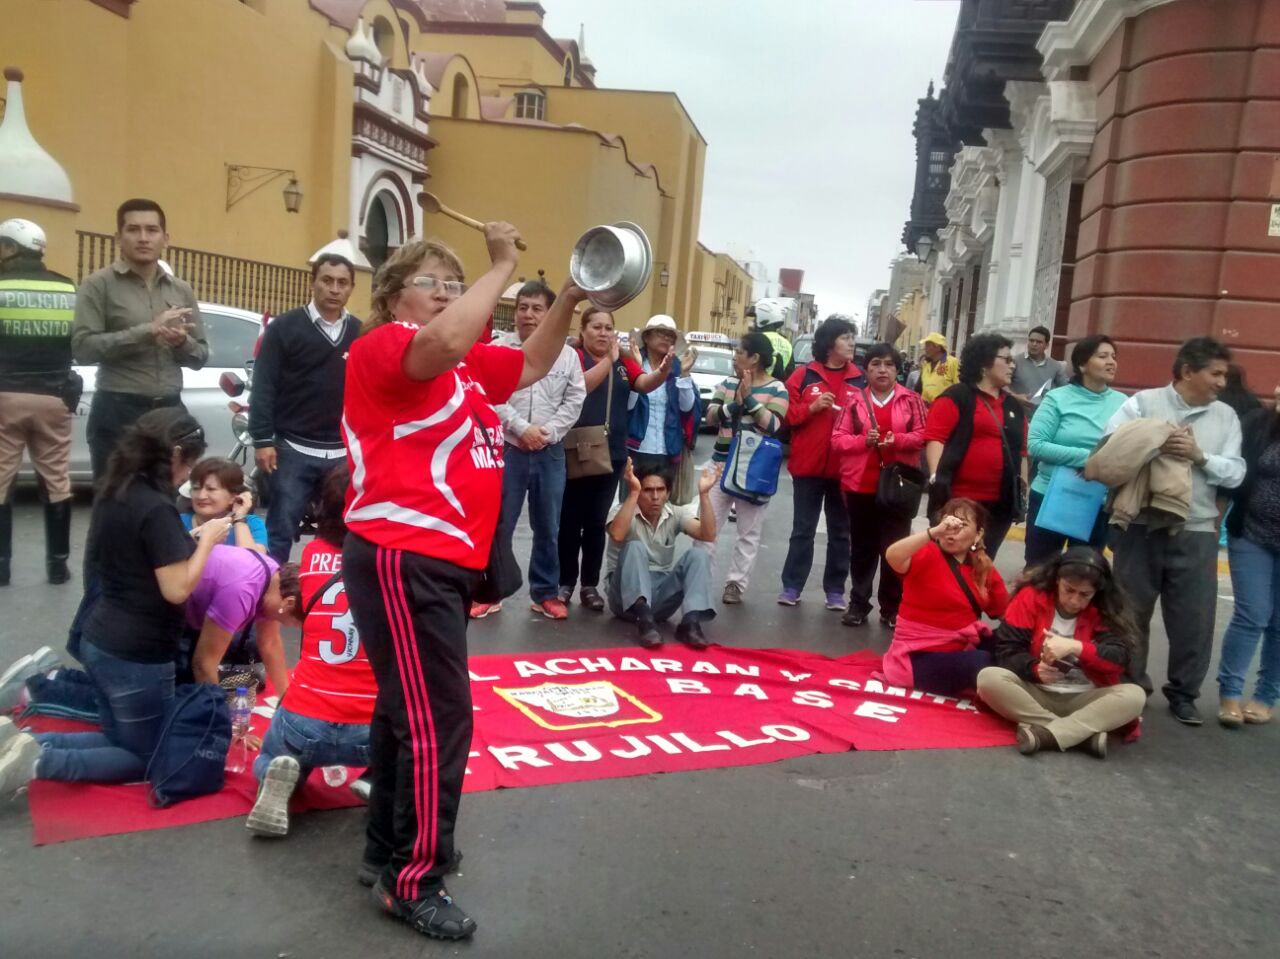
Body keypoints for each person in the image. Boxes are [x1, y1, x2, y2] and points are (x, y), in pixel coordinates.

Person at [340, 227, 585, 940]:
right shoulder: (384, 347)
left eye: (456, 284)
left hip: (434, 562)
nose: (450, 294)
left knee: (406, 710)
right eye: (434, 284)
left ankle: (386, 849)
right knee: (438, 719)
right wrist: (502, 265)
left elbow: (533, 361)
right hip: (404, 554)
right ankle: (414, 878)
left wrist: (569, 296)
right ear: (393, 297)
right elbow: (444, 339)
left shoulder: (466, 365)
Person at [0, 408, 227, 795]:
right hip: (137, 653)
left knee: (117, 738)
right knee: (145, 757)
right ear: (175, 454)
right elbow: (176, 590)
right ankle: (39, 762)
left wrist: (187, 543)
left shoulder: (118, 488)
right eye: (190, 464)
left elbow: (140, 553)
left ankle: (25, 747)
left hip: (102, 637)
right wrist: (207, 541)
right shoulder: (156, 507)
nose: (188, 475)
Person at [1105, 337, 1245, 726]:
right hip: (1140, 525)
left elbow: (1236, 472)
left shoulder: (1226, 417)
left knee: (1194, 619)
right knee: (1129, 611)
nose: (1222, 383)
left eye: (1224, 375)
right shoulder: (1142, 404)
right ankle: (1132, 689)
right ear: (1187, 371)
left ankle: (1184, 694)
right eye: (1215, 374)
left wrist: (1200, 456)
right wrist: (1154, 443)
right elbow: (1110, 446)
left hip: (1196, 529)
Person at [247, 465, 378, 839]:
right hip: (371, 727)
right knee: (412, 739)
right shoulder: (392, 559)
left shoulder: (313, 554)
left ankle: (280, 773)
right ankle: (378, 779)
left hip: (304, 717)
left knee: (275, 755)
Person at [72, 199, 208, 480]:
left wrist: (181, 343)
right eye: (133, 230)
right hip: (119, 410)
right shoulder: (98, 285)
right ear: (118, 238)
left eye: (152, 230)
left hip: (170, 410)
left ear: (165, 239)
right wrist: (149, 331)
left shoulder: (181, 290)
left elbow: (200, 356)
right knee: (115, 497)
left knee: (165, 498)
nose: (143, 238)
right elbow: (83, 348)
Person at [482, 277, 586, 621]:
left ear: (550, 313)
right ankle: (489, 591)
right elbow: (489, 394)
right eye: (522, 308)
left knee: (548, 527)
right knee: (499, 523)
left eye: (537, 308)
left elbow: (575, 399)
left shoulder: (567, 356)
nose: (528, 314)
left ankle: (544, 593)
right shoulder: (498, 348)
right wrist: (520, 428)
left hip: (549, 450)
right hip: (507, 448)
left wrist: (548, 432)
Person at [977, 547, 1146, 758]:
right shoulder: (1031, 597)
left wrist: (1077, 647)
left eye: (1084, 594)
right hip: (1034, 691)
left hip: (1084, 696)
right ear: (1057, 580)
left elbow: (1119, 659)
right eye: (1069, 590)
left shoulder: (1105, 608)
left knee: (1135, 696)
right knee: (988, 678)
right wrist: (1035, 669)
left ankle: (1045, 731)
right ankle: (1080, 735)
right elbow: (1006, 650)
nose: (1074, 601)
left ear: (1097, 591)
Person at [249, 254, 360, 564]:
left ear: (351, 288)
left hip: (342, 451)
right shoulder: (284, 328)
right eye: (327, 280)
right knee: (280, 530)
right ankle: (273, 586)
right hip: (292, 450)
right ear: (313, 282)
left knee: (344, 530)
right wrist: (262, 440)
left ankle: (336, 587)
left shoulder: (361, 332)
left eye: (342, 282)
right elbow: (264, 385)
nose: (334, 289)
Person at [557, 307, 662, 612]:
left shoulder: (623, 362)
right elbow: (580, 386)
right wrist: (608, 360)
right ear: (583, 331)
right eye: (596, 327)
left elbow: (644, 383)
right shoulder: (574, 357)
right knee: (568, 521)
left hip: (612, 453)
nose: (603, 333)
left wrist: (663, 372)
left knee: (595, 522)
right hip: (575, 450)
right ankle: (565, 582)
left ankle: (589, 586)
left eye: (608, 327)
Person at [0, 217, 78, 586]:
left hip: (5, 396)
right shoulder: (67, 288)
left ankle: (1, 567)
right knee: (57, 480)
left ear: (10, 248)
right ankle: (58, 566)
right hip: (54, 397)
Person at [831, 343, 928, 629]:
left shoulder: (912, 400)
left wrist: (898, 440)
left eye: (888, 364)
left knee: (895, 549)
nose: (882, 370)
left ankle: (892, 608)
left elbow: (924, 435)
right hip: (860, 484)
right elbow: (837, 439)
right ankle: (858, 604)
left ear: (898, 370)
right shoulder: (853, 401)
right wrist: (863, 441)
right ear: (866, 370)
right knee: (862, 548)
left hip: (899, 487)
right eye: (875, 364)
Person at [778, 315, 866, 609]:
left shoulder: (860, 379)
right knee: (803, 530)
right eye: (845, 338)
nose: (852, 343)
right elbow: (785, 416)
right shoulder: (803, 376)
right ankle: (792, 586)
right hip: (808, 468)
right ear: (829, 343)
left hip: (845, 469)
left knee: (841, 532)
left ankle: (835, 591)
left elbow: (871, 420)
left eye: (852, 337)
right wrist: (811, 407)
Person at [881, 498, 1010, 697]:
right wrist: (934, 532)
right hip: (918, 657)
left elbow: (1007, 613)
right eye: (948, 523)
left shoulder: (982, 567)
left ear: (978, 534)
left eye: (962, 525)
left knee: (1008, 643)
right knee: (981, 662)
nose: (952, 531)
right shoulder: (926, 552)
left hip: (961, 650)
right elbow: (892, 556)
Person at [698, 332, 789, 604]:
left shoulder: (777, 389)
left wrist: (749, 399)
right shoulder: (727, 383)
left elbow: (773, 425)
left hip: (754, 468)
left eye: (739, 352)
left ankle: (735, 585)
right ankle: (699, 578)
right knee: (706, 525)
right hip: (719, 463)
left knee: (748, 531)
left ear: (755, 358)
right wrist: (733, 405)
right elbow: (710, 416)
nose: (735, 356)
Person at [1023, 336, 1127, 566]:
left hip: (1097, 500)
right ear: (1082, 365)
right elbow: (1036, 444)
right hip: (1050, 495)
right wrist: (1088, 459)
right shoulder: (1057, 398)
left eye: (1113, 357)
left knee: (1085, 572)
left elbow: (1127, 450)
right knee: (1039, 570)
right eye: (1103, 356)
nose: (1111, 362)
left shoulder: (1124, 404)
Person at [924, 333, 1026, 558]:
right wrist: (935, 476)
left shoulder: (1013, 406)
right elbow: (935, 437)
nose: (1013, 365)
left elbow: (1022, 451)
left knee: (983, 560)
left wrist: (1022, 489)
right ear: (984, 364)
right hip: (959, 500)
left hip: (999, 504)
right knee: (952, 561)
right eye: (1007, 360)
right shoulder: (957, 396)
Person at [1216, 383, 1280, 728]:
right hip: (1251, 533)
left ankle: (1266, 695)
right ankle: (1230, 693)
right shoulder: (1257, 423)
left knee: (1279, 623)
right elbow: (1233, 478)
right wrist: (1215, 522)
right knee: (1252, 614)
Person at [606, 458, 720, 647]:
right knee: (635, 546)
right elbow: (617, 534)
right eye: (648, 490)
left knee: (698, 555)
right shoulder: (623, 511)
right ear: (639, 490)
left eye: (660, 490)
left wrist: (704, 494)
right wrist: (633, 492)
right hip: (624, 601)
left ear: (668, 493)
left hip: (659, 600)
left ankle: (690, 623)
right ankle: (645, 621)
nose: (655, 497)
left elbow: (707, 535)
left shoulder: (675, 513)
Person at [626, 314, 698, 477]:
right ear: (646, 337)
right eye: (661, 333)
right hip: (635, 448)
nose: (666, 338)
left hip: (666, 449)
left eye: (670, 336)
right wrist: (636, 372)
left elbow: (686, 408)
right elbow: (628, 406)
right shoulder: (634, 363)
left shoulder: (676, 368)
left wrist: (685, 373)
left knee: (660, 493)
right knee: (633, 492)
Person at [182, 457, 267, 551]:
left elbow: (252, 559)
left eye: (211, 489)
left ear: (233, 496)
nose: (201, 496)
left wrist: (240, 520)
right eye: (196, 488)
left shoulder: (252, 523)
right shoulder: (177, 521)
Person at [1007, 325, 1069, 420]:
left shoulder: (1055, 366)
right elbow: (1000, 384)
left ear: (1047, 345)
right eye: (1031, 340)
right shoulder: (1015, 361)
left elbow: (1066, 390)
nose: (1034, 344)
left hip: (1044, 418)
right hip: (1016, 416)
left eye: (1039, 342)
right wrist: (1015, 396)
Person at [750, 297, 793, 380]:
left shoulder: (755, 340)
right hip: (779, 386)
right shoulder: (787, 344)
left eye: (755, 318)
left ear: (763, 318)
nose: (753, 322)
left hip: (755, 385)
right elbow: (790, 374)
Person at [917, 332, 959, 405]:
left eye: (928, 345)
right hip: (926, 408)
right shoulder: (926, 365)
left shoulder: (952, 362)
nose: (925, 348)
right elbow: (919, 388)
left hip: (945, 407)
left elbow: (959, 387)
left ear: (938, 348)